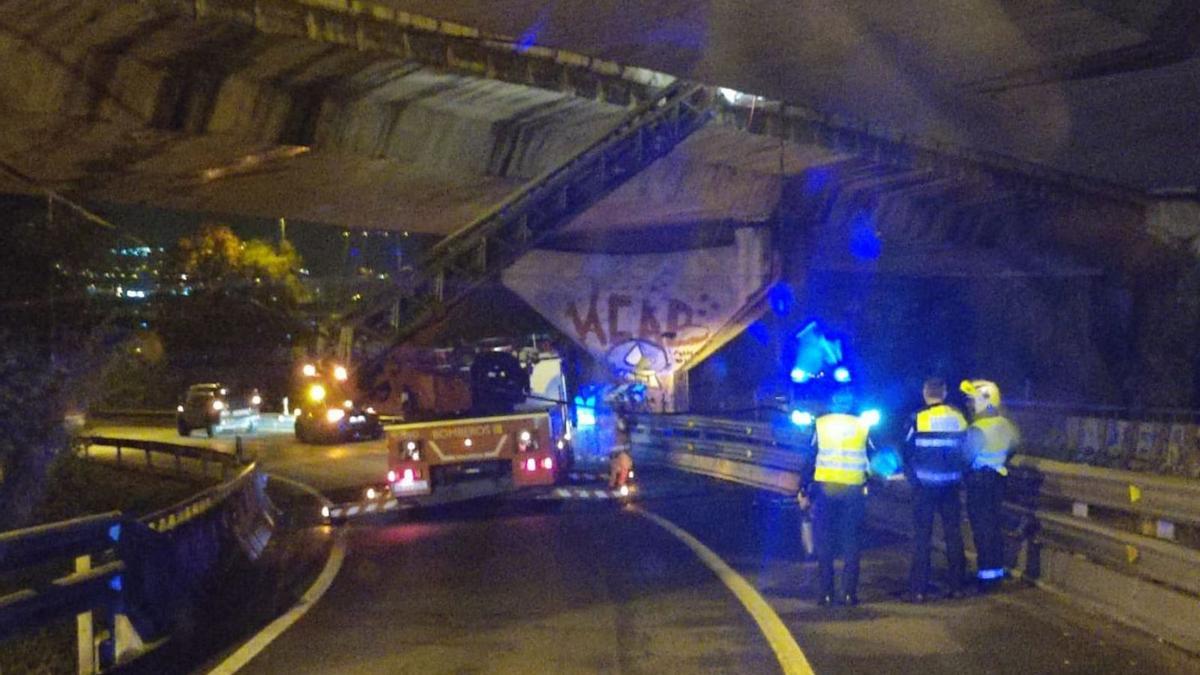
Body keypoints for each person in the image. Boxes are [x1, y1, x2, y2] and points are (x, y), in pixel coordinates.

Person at [799, 389, 875, 606]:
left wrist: (803, 488)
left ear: (832, 402)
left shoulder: (821, 424)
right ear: (850, 403)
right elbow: (871, 456)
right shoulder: (862, 425)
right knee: (851, 541)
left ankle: (826, 593)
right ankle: (849, 594)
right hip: (852, 489)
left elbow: (810, 458)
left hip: (826, 489)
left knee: (825, 542)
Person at [903, 378, 969, 602]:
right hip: (951, 485)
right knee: (953, 535)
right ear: (945, 392)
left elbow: (906, 451)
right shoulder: (959, 418)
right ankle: (957, 586)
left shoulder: (919, 419)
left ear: (925, 393)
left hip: (925, 486)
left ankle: (919, 589)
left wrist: (912, 478)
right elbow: (966, 451)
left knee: (922, 538)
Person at [960, 379, 1020, 592]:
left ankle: (986, 577)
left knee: (981, 529)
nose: (969, 404)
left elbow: (965, 458)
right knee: (993, 527)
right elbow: (1013, 448)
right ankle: (995, 572)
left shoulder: (977, 429)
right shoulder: (1006, 424)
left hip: (979, 482)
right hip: (998, 479)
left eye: (972, 400)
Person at [609, 415, 634, 489]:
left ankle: (619, 483)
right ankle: (614, 484)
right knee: (616, 469)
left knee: (623, 468)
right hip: (617, 453)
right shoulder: (615, 433)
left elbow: (627, 444)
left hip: (622, 453)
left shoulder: (625, 434)